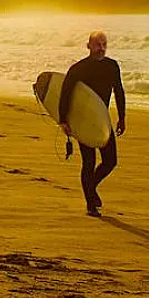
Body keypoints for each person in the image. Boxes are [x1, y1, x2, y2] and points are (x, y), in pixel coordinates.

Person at [58, 30, 126, 217]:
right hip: (81, 121)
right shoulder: (78, 69)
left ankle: (91, 187)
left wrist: (122, 117)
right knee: (89, 162)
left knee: (110, 161)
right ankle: (90, 204)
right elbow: (65, 94)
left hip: (102, 120)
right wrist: (63, 120)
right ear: (88, 46)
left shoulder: (112, 66)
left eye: (104, 44)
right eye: (97, 44)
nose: (101, 48)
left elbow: (119, 91)